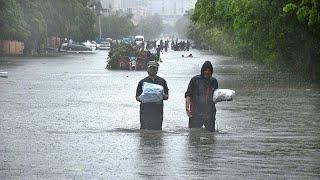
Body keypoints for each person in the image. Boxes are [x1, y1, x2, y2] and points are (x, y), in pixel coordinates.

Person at [185, 61, 219, 132]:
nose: (207, 72)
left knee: (211, 136)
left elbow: (216, 96)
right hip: (195, 112)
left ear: (211, 71)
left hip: (210, 112)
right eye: (205, 70)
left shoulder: (214, 81)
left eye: (209, 70)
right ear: (202, 70)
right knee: (193, 135)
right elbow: (188, 94)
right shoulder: (195, 80)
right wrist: (187, 108)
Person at [136, 61, 169, 130]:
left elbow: (167, 96)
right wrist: (145, 98)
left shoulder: (162, 81)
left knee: (157, 131)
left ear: (157, 69)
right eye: (151, 68)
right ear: (147, 69)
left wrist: (160, 96)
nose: (152, 70)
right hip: (145, 110)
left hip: (158, 110)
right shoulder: (142, 82)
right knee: (144, 131)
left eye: (154, 68)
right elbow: (137, 97)